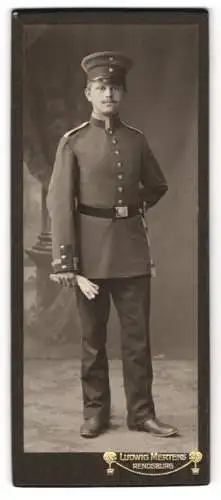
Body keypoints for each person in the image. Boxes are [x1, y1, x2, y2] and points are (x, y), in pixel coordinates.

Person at [47, 51, 178, 439]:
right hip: (89, 256)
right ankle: (95, 413)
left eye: (115, 88)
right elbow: (59, 203)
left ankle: (142, 414)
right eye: (102, 87)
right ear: (88, 92)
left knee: (138, 341)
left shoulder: (136, 140)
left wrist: (130, 208)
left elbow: (157, 185)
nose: (109, 94)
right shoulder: (74, 142)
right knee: (93, 341)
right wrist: (67, 263)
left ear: (123, 94)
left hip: (132, 253)